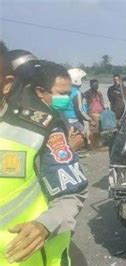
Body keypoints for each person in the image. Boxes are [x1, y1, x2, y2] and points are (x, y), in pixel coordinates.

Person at [0, 43, 87, 265]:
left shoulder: (38, 129)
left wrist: (44, 225)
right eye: (61, 93)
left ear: (7, 84)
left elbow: (71, 194)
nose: (65, 98)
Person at [84, 79, 105, 148]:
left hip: (100, 113)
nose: (96, 86)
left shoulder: (99, 93)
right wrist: (93, 96)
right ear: (90, 85)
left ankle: (98, 143)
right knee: (94, 130)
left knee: (99, 130)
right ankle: (92, 145)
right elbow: (88, 103)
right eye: (94, 85)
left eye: (97, 85)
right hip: (92, 114)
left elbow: (102, 103)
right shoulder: (87, 93)